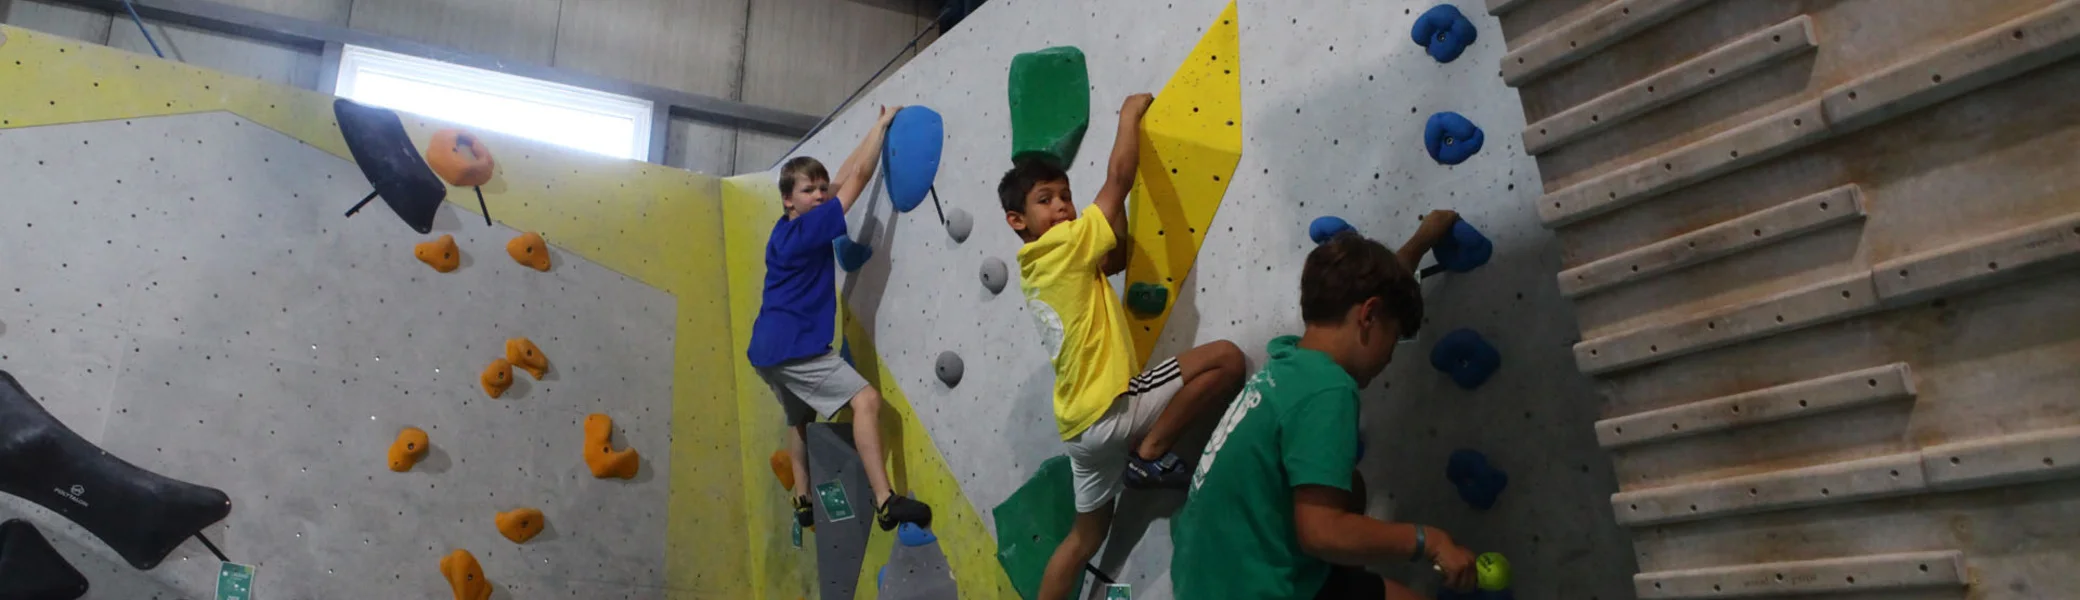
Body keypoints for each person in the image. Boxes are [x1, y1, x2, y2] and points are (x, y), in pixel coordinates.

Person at [1001, 92, 1248, 600]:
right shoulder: (1067, 245)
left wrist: (1112, 227)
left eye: (1065, 196)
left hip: (1078, 428)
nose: (1062, 207)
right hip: (1113, 408)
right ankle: (1152, 452)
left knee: (1083, 537)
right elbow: (1118, 181)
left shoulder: (1038, 266)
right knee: (1226, 358)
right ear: (1017, 220)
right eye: (1045, 200)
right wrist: (1129, 115)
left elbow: (1111, 258)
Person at [1170, 213, 1479, 599]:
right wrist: (1428, 541)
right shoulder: (1329, 389)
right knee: (1338, 508)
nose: (1388, 358)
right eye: (1394, 338)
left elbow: (1379, 287)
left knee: (1350, 486)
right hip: (1249, 589)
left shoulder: (1288, 364)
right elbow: (1321, 532)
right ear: (1368, 315)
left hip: (1209, 575)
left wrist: (1422, 238)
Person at [748, 105, 931, 532]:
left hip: (767, 352)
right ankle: (885, 500)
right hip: (796, 349)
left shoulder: (784, 229)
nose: (819, 195)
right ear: (788, 199)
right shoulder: (810, 229)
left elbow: (845, 172)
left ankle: (802, 495)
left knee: (800, 419)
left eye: (819, 190)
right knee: (866, 401)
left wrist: (870, 131)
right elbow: (860, 179)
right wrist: (884, 129)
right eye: (809, 191)